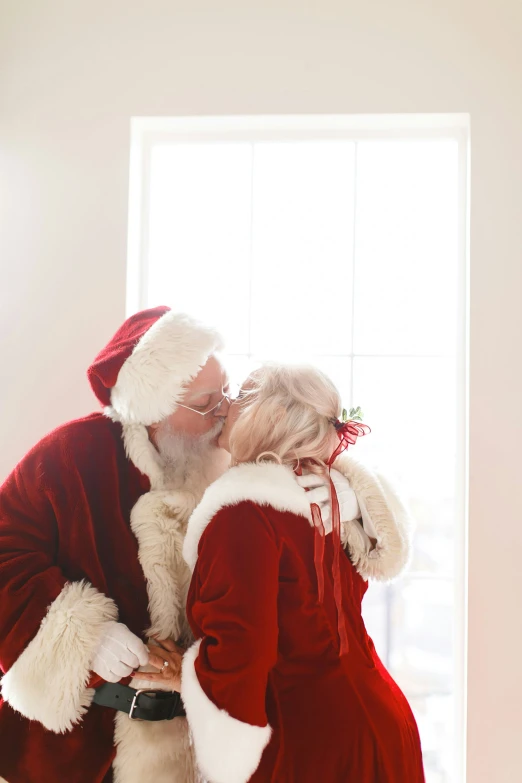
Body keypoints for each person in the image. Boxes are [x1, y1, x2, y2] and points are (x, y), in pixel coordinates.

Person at [140, 364, 425, 783]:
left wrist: (187, 675)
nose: (223, 407)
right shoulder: (327, 493)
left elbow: (242, 649)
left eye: (238, 397)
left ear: (266, 417)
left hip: (311, 743)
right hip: (381, 721)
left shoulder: (243, 513)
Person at [0, 306, 232, 783]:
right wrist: (84, 639)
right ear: (156, 410)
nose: (225, 410)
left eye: (226, 391)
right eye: (207, 402)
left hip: (196, 752)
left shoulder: (232, 466)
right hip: (76, 753)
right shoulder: (69, 457)